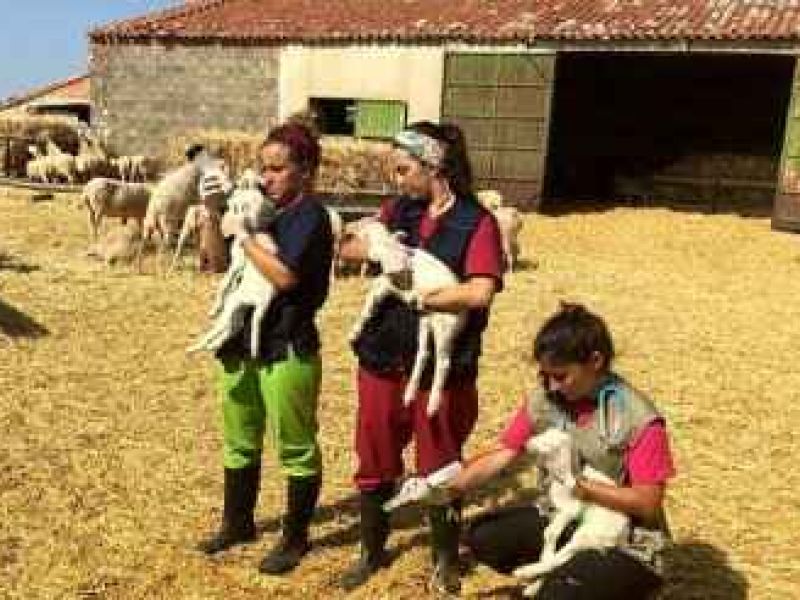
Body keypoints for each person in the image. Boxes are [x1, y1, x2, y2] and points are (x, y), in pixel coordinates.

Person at [337, 121, 505, 594]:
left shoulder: (477, 222)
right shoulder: (399, 211)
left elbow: (479, 292)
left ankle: (445, 562)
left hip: (440, 372)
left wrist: (424, 299)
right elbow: (350, 249)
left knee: (440, 463)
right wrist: (368, 240)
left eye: (404, 168)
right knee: (375, 456)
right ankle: (371, 552)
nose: (397, 178)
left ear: (434, 166)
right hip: (383, 358)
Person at [442, 303, 675, 599]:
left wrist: (578, 486)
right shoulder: (547, 400)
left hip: (624, 537)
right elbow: (505, 452)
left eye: (561, 376)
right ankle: (567, 571)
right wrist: (448, 486)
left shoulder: (637, 419)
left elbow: (647, 503)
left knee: (560, 594)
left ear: (595, 361)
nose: (551, 386)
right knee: (485, 537)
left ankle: (597, 582)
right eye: (545, 375)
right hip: (565, 515)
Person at [195, 122, 334, 576]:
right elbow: (216, 263)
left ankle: (295, 537)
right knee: (239, 441)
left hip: (287, 344)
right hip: (240, 344)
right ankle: (238, 523)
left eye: (278, 169)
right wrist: (213, 216)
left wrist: (244, 235)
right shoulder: (255, 210)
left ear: (305, 171)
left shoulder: (309, 217)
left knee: (295, 446)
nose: (267, 177)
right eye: (263, 168)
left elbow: (286, 277)